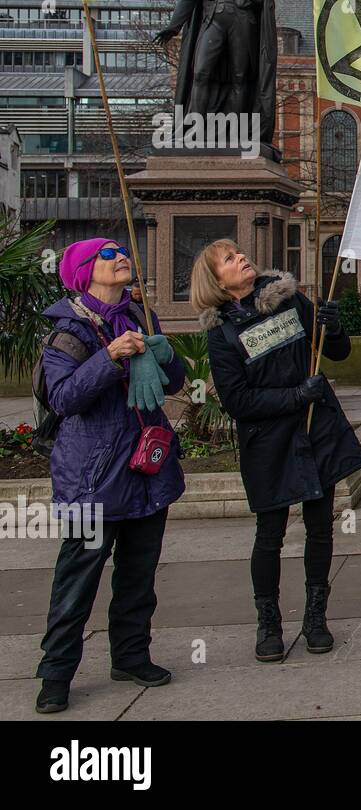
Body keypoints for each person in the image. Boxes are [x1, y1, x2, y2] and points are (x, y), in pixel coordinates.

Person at [33, 239, 186, 714]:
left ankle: (132, 657)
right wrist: (110, 356)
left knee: (139, 577)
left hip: (146, 470)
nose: (120, 256)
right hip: (90, 481)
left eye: (121, 250)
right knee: (76, 582)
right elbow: (63, 399)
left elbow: (175, 382)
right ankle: (55, 675)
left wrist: (162, 352)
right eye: (106, 253)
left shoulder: (143, 317)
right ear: (83, 271)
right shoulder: (68, 332)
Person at [195, 242, 361, 662]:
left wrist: (335, 325)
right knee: (270, 535)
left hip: (316, 433)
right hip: (270, 444)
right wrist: (295, 396)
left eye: (240, 252)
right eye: (229, 259)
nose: (241, 258)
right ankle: (269, 622)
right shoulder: (222, 333)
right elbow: (237, 400)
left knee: (320, 526)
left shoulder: (288, 299)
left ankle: (315, 618)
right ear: (217, 281)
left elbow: (337, 351)